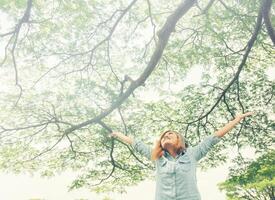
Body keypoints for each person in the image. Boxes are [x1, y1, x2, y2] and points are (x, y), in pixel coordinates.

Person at [111, 112, 253, 200]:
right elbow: (136, 144)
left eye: (170, 134)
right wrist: (118, 134)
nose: (165, 136)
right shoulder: (157, 156)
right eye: (163, 136)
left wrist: (237, 119)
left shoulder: (192, 154)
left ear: (179, 140)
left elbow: (214, 137)